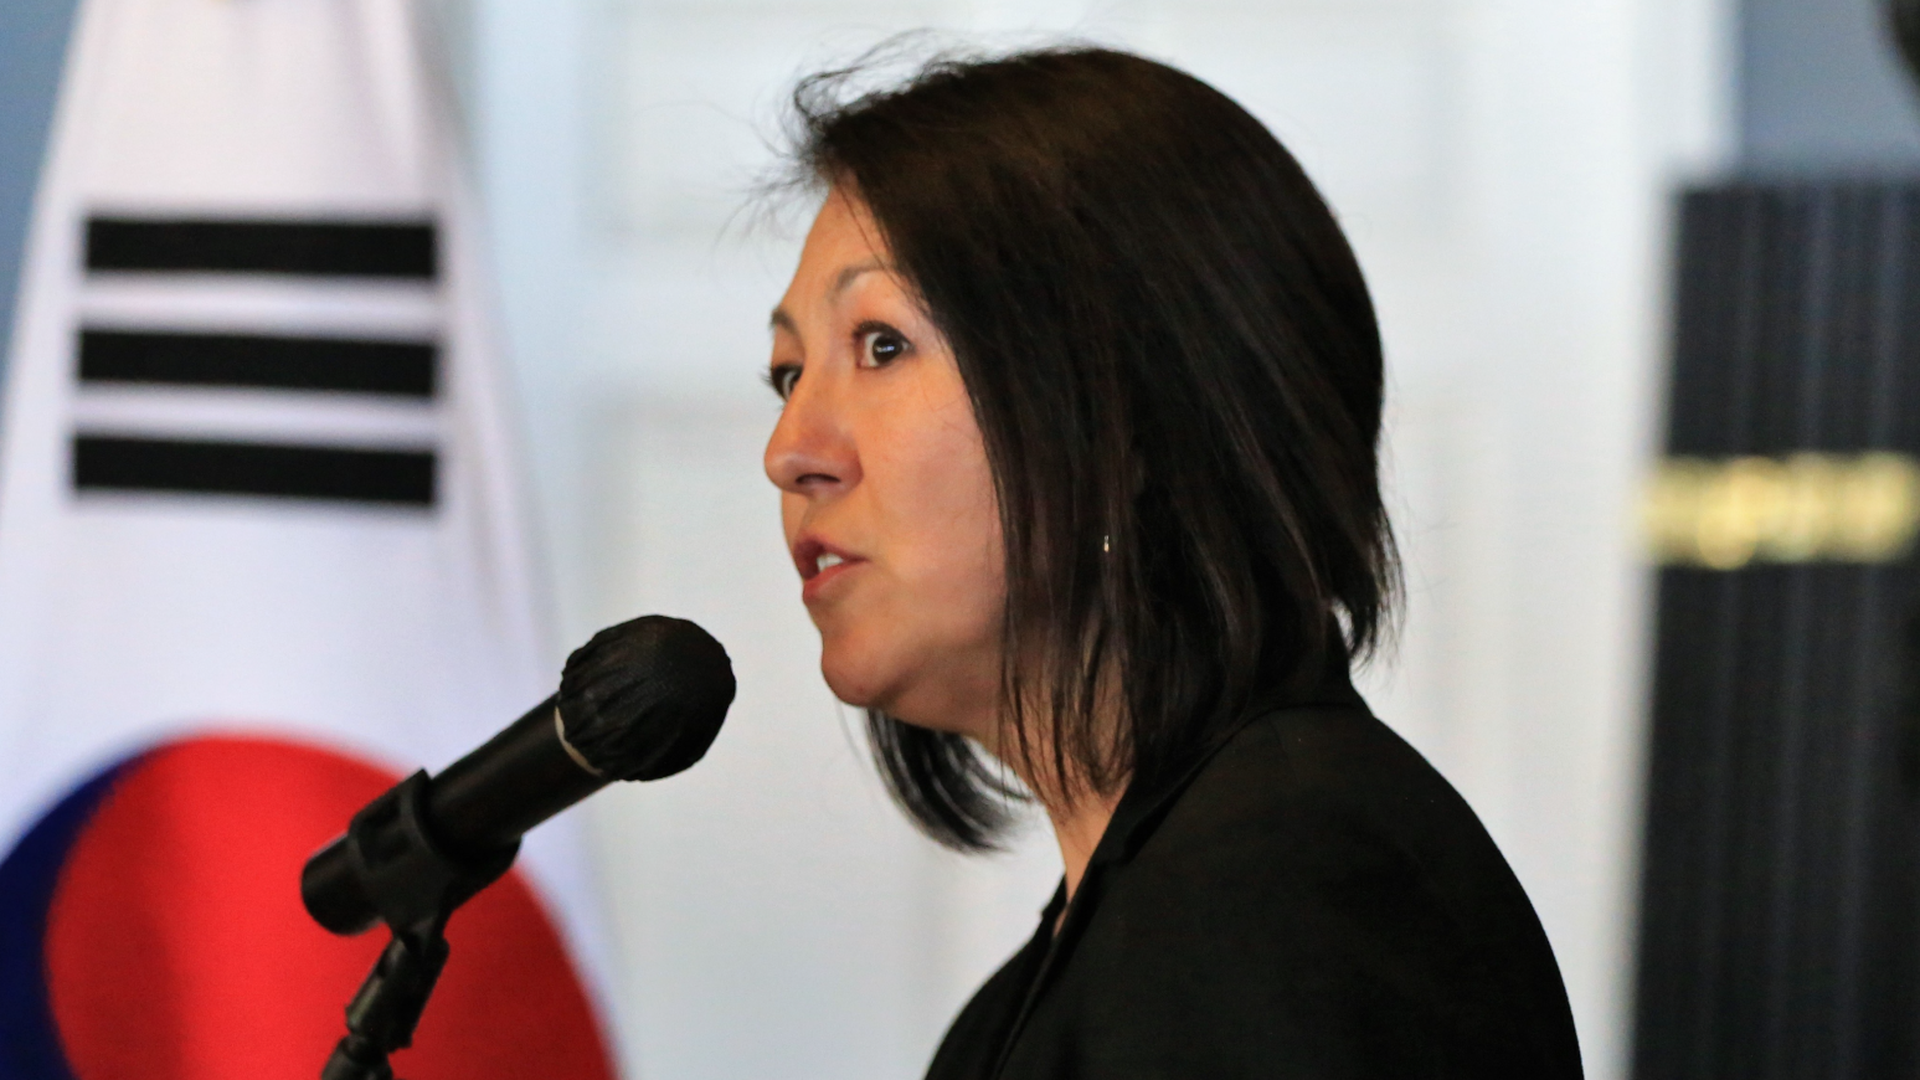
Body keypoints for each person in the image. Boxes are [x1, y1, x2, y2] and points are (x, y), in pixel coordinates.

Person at [761, 45, 1582, 1079]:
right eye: (786, 372)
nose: (789, 449)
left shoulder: (1284, 891)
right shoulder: (1063, 976)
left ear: (1131, 416)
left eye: (880, 345)